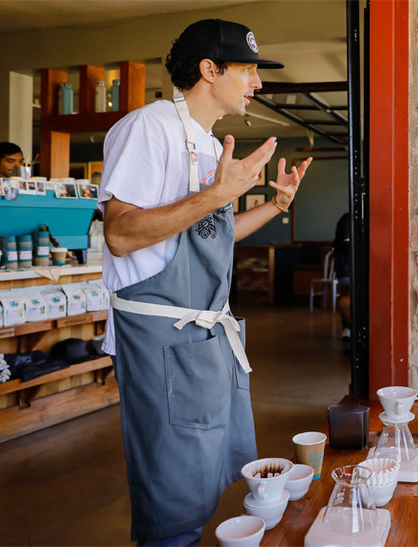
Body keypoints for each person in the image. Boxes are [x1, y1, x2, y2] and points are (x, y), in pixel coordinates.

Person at [98, 19, 312, 545]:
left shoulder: (209, 143)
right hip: (161, 339)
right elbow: (121, 235)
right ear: (209, 70)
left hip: (206, 337)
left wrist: (274, 205)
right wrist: (217, 195)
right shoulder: (148, 128)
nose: (257, 83)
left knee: (216, 470)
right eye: (248, 70)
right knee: (173, 490)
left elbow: (209, 235)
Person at [332, 212, 352, 341]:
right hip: (345, 265)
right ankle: (347, 328)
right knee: (345, 298)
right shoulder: (347, 219)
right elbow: (346, 244)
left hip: (353, 264)